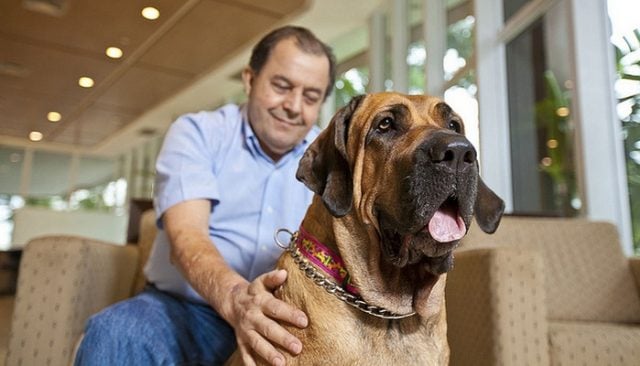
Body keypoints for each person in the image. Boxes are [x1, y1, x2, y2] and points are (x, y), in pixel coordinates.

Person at [74, 25, 336, 366]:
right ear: (249, 79)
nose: (293, 106)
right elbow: (187, 237)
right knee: (115, 332)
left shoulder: (329, 162)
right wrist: (237, 299)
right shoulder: (197, 133)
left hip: (283, 319)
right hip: (185, 310)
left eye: (311, 97)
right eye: (281, 86)